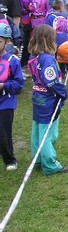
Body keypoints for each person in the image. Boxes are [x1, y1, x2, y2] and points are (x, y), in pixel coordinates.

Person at [27, 24, 68, 175]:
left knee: (38, 129)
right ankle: (50, 164)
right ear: (48, 40)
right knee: (48, 133)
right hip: (47, 99)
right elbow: (50, 81)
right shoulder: (46, 59)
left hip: (37, 97)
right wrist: (62, 92)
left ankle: (37, 158)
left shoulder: (34, 57)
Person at [0, 23, 24, 171]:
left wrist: (4, 86)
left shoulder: (12, 61)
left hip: (5, 102)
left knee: (4, 132)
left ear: (6, 42)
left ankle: (9, 159)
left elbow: (18, 84)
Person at [12, 0, 35, 67]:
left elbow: (31, 1)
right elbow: (17, 5)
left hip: (28, 20)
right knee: (20, 42)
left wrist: (31, 7)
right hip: (20, 18)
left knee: (27, 42)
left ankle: (24, 63)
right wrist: (25, 9)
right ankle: (18, 64)